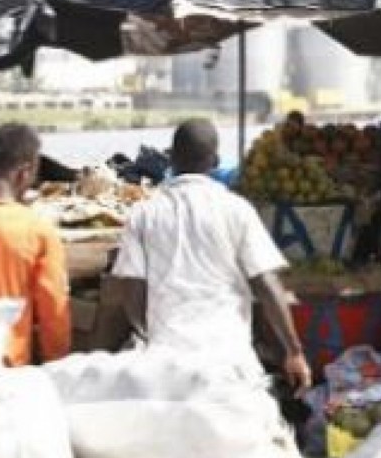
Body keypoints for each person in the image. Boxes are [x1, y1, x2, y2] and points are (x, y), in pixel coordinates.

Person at [110, 119, 311, 392]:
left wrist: (148, 332)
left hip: (168, 365)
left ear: (172, 158)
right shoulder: (237, 210)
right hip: (230, 364)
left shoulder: (143, 214)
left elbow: (129, 287)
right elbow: (266, 284)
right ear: (215, 160)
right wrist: (294, 352)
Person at [0, 123, 70, 366]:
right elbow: (54, 316)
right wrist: (57, 367)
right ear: (25, 172)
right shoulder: (38, 230)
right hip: (8, 368)